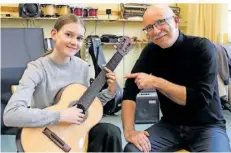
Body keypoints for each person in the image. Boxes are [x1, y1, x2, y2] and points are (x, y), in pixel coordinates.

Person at [3, 14, 122, 152]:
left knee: (111, 132)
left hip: (74, 132)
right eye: (68, 34)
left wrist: (109, 93)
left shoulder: (82, 67)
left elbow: (85, 107)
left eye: (79, 38)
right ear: (54, 34)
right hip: (46, 134)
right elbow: (10, 115)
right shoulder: (36, 68)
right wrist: (60, 116)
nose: (74, 42)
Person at [122, 4, 231, 152]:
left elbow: (200, 100)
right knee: (132, 150)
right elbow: (129, 90)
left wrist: (156, 82)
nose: (155, 31)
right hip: (169, 126)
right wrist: (129, 132)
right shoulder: (151, 51)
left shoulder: (202, 47)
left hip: (208, 127)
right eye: (149, 27)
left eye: (160, 22)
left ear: (175, 21)